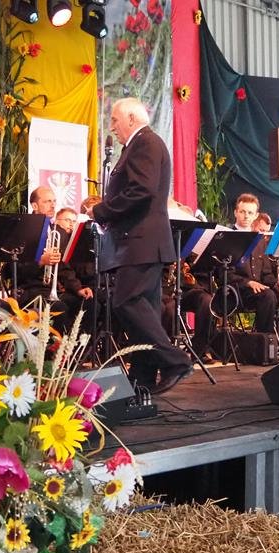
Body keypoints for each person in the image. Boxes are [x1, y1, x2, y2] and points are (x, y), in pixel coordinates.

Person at [86, 98, 191, 393]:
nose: (112, 127)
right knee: (145, 309)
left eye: (115, 120)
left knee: (126, 302)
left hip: (141, 242)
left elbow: (141, 190)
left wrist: (101, 211)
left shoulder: (145, 143)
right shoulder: (142, 144)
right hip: (143, 242)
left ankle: (175, 361)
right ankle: (142, 377)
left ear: (131, 118)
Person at [229, 193, 278, 336]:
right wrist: (248, 282)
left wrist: (278, 284)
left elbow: (266, 273)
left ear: (256, 215)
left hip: (259, 289)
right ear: (235, 213)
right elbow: (224, 274)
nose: (246, 216)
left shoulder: (260, 240)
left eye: (250, 213)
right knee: (268, 296)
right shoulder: (228, 236)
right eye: (242, 212)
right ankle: (265, 340)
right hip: (237, 290)